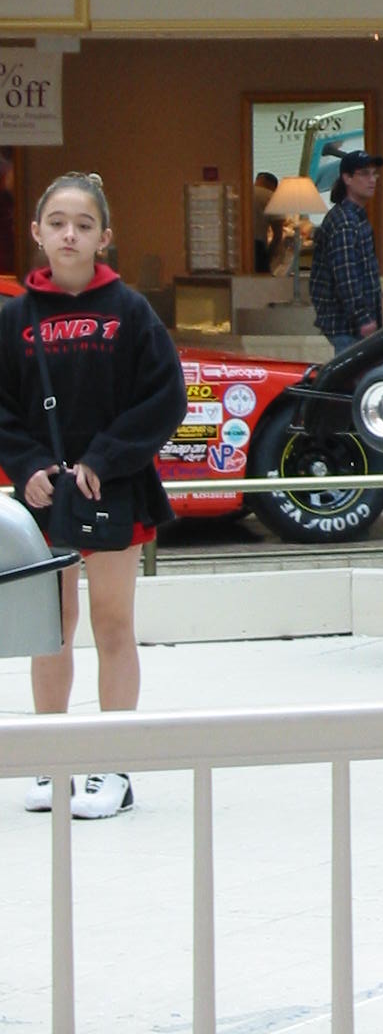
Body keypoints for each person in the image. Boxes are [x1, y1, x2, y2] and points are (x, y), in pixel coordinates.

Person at [0, 172, 186, 819]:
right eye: (57, 223)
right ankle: (52, 762)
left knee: (112, 625)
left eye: (83, 224)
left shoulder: (130, 312)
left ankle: (113, 766)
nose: (69, 235)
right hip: (42, 500)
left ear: (105, 236)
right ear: (37, 232)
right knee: (49, 629)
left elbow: (164, 397)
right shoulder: (15, 318)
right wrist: (25, 464)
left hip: (115, 491)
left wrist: (105, 459)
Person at [308, 149, 383, 352]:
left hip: (351, 324)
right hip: (347, 325)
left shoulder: (355, 217)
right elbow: (346, 275)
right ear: (347, 178)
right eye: (364, 174)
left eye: (374, 174)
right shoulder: (344, 222)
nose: (372, 180)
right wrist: (363, 318)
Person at [252, 170, 278, 273]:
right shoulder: (270, 196)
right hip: (258, 246)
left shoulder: (242, 191)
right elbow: (278, 234)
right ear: (273, 186)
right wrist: (268, 257)